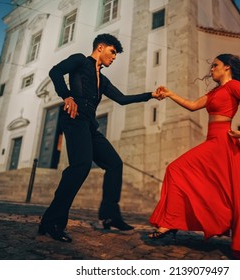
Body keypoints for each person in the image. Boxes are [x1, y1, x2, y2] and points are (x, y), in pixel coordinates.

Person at [39, 34, 162, 242]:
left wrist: (151, 94)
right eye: (113, 52)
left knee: (114, 163)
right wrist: (66, 96)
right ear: (101, 47)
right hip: (73, 119)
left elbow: (122, 99)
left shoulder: (102, 80)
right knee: (81, 166)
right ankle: (52, 221)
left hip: (89, 125)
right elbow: (55, 71)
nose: (114, 57)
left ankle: (109, 215)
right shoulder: (79, 61)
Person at [148, 54, 240, 259]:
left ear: (227, 67)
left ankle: (169, 223)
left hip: (223, 142)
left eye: (215, 65)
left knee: (176, 169)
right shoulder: (215, 91)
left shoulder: (234, 87)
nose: (211, 69)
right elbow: (193, 105)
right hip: (212, 142)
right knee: (221, 191)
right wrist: (170, 94)